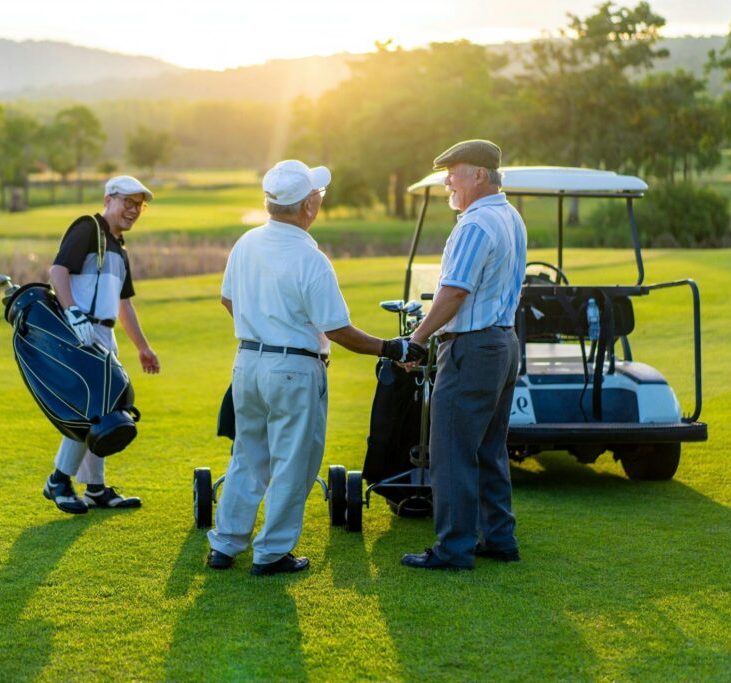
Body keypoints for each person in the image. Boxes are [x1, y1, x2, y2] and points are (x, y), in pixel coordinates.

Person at [206, 159, 426, 576]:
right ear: (308, 206)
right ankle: (270, 553)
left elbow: (228, 300)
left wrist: (262, 323)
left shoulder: (246, 243)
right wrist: (390, 348)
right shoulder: (311, 258)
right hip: (294, 369)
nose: (320, 201)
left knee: (247, 456)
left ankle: (226, 544)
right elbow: (338, 330)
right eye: (318, 196)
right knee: (293, 461)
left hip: (247, 362)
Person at [399, 140, 527, 571]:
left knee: (451, 449)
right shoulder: (511, 217)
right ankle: (499, 538)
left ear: (478, 175)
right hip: (504, 343)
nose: (447, 181)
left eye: (453, 172)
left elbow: (454, 292)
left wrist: (417, 338)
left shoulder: (474, 225)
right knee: (490, 447)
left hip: (473, 347)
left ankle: (453, 549)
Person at [41, 175, 161, 514]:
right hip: (79, 333)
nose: (134, 210)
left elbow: (124, 304)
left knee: (105, 410)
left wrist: (142, 346)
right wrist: (73, 313)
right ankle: (59, 480)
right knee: (89, 411)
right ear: (109, 199)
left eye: (139, 205)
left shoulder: (119, 249)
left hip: (104, 337)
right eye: (128, 202)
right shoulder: (87, 229)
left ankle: (95, 488)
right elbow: (58, 271)